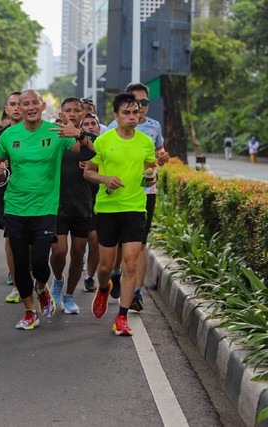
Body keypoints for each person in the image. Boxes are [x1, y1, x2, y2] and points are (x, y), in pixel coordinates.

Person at [0, 89, 93, 330]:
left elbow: (89, 152)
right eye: (25, 103)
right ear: (19, 109)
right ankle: (29, 311)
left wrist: (80, 135)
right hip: (15, 206)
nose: (31, 106)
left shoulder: (56, 132)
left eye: (35, 102)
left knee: (40, 262)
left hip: (45, 207)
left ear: (43, 106)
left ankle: (42, 286)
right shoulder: (9, 135)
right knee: (21, 264)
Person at [84, 92, 163, 336]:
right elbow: (88, 172)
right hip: (108, 209)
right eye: (126, 112)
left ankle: (121, 317)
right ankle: (104, 287)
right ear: (116, 116)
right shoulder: (104, 141)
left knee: (130, 263)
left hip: (135, 208)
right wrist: (104, 178)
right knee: (105, 267)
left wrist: (153, 175)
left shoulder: (145, 142)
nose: (132, 116)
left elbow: (151, 167)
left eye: (136, 111)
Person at [106, 82, 168, 311]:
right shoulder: (113, 127)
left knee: (141, 244)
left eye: (144, 102)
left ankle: (137, 292)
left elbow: (158, 153)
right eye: (134, 102)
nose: (139, 107)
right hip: (120, 193)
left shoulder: (154, 127)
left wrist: (159, 164)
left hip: (145, 193)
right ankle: (114, 272)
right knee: (119, 245)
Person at [49, 97, 97, 314]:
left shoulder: (91, 139)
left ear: (83, 114)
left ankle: (69, 295)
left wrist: (82, 138)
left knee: (78, 253)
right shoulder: (53, 136)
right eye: (67, 110)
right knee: (59, 252)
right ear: (61, 113)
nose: (72, 113)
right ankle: (58, 279)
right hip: (56, 204)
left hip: (83, 204)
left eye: (76, 110)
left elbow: (100, 156)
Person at [0, 91, 22, 304]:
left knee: (32, 245)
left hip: (36, 196)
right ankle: (18, 281)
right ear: (7, 108)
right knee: (10, 239)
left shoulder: (41, 133)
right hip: (7, 194)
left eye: (21, 104)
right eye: (13, 104)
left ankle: (33, 279)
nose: (17, 108)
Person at [80, 113, 103, 293]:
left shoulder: (105, 145)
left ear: (98, 127)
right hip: (77, 199)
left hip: (98, 199)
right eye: (86, 124)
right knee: (76, 246)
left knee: (94, 240)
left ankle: (89, 276)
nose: (90, 127)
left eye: (93, 123)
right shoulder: (75, 145)